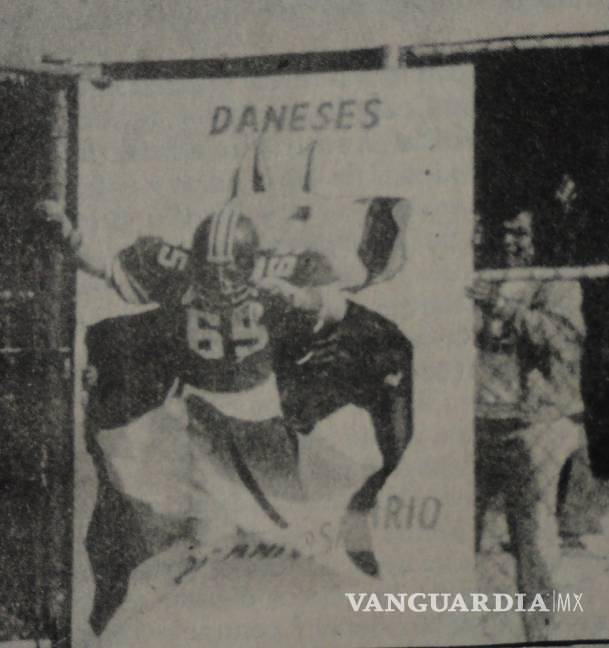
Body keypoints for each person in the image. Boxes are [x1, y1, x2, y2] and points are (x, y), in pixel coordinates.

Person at [38, 197, 413, 630]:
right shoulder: (200, 270)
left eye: (226, 273)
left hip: (258, 424)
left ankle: (367, 608)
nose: (216, 282)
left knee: (294, 532)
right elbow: (109, 268)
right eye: (208, 271)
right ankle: (138, 616)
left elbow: (341, 298)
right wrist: (70, 235)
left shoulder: (271, 275)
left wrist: (305, 298)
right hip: (201, 421)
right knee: (204, 535)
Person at [473, 209, 585, 641]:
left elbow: (566, 343)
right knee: (457, 538)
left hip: (532, 425)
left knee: (534, 541)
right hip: (478, 424)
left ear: (540, 237)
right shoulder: (481, 275)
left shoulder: (556, 282)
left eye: (520, 233)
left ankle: (546, 636)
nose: (511, 243)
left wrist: (506, 308)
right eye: (504, 232)